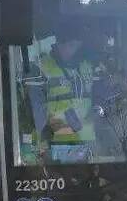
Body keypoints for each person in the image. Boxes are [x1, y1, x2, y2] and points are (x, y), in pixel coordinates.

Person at [38, 24, 101, 160]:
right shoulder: (43, 68)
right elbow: (36, 112)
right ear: (59, 44)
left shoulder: (87, 67)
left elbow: (97, 97)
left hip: (87, 143)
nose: (75, 51)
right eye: (72, 46)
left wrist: (98, 109)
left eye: (78, 46)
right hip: (57, 146)